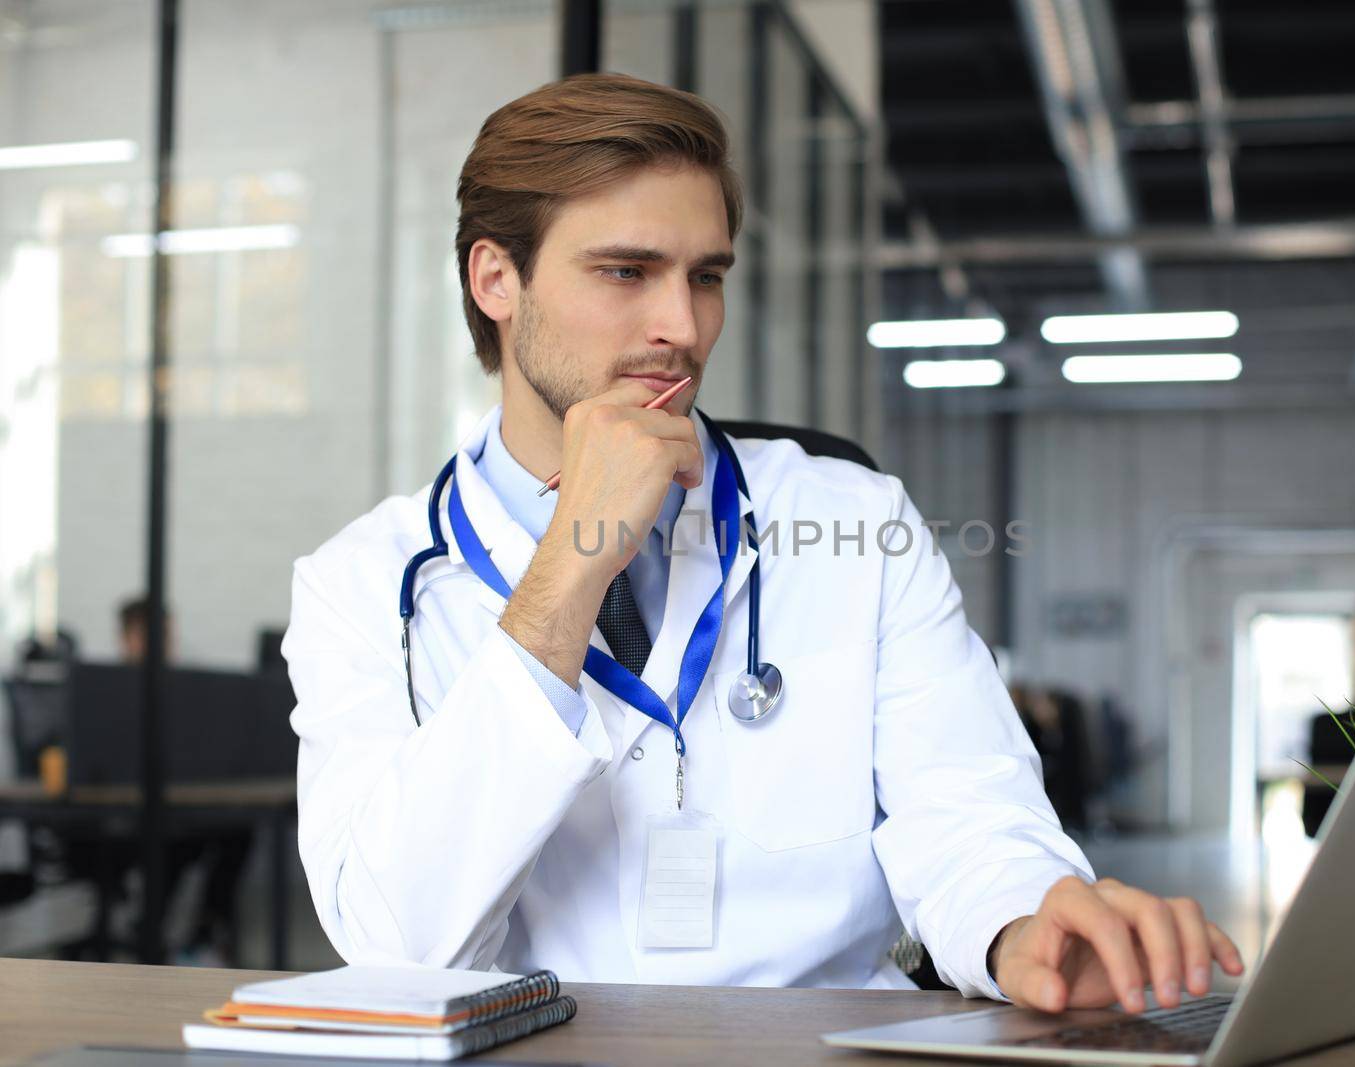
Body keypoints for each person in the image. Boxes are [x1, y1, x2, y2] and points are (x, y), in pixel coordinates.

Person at [284, 73, 1242, 1013]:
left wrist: (1022, 926)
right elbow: (395, 945)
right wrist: (573, 562)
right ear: (496, 279)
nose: (683, 326)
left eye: (706, 277)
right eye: (626, 272)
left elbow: (970, 812)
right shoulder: (361, 585)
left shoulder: (859, 521)